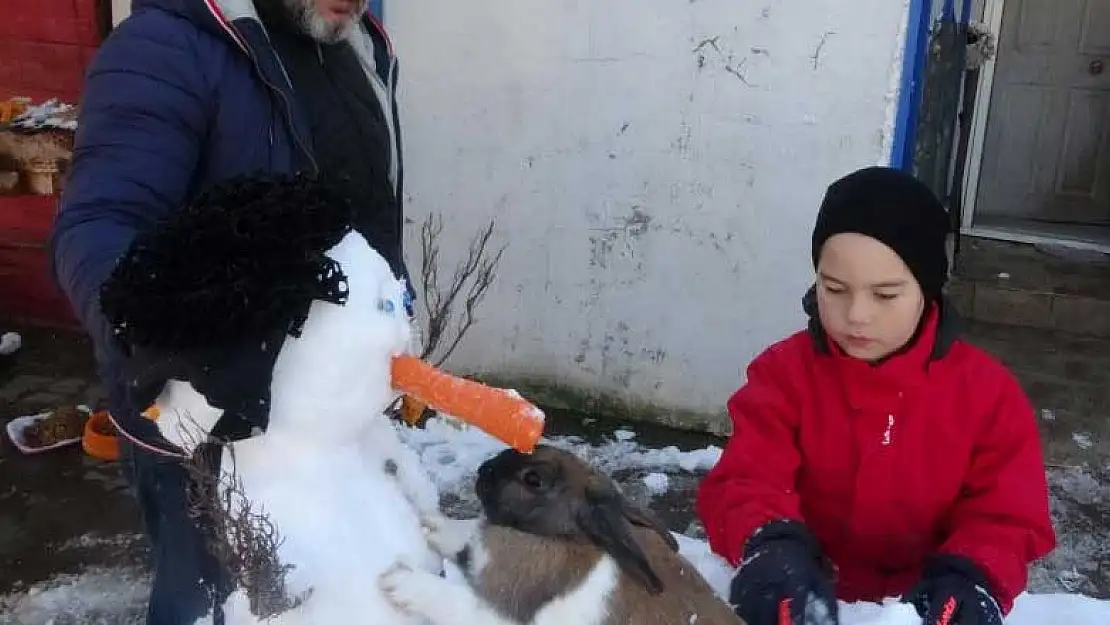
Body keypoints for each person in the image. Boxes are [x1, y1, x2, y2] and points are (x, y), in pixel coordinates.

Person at [49, 0, 409, 622]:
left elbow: (369, 213)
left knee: (321, 600)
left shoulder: (356, 48)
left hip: (326, 416)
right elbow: (98, 225)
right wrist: (176, 347)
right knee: (206, 606)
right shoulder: (165, 47)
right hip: (207, 420)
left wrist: (390, 323)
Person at [696, 166, 1056, 625]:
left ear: (927, 291)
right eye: (834, 289)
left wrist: (973, 576)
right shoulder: (782, 376)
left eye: (885, 295)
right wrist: (771, 549)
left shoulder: (988, 397)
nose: (857, 315)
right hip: (804, 600)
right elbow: (747, 479)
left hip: (919, 610)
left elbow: (1006, 514)